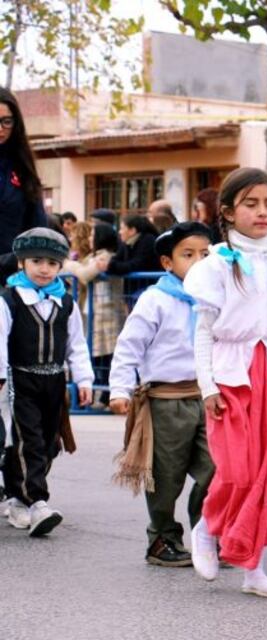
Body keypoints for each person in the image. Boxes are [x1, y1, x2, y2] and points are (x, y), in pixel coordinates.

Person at [184, 167, 267, 598]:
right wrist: (207, 385)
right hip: (232, 374)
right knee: (238, 469)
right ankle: (208, 527)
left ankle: (253, 566)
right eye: (250, 204)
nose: (262, 212)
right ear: (227, 211)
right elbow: (204, 330)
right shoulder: (217, 265)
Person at [108, 222, 215, 568]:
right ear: (168, 263)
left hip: (206, 397)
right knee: (166, 477)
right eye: (188, 255)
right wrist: (119, 388)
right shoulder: (156, 299)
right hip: (165, 401)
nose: (198, 261)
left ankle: (205, 534)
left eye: (205, 254)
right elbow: (130, 345)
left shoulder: (214, 299)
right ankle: (162, 538)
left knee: (216, 468)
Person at [1, 228, 93, 535]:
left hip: (54, 380)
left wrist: (84, 379)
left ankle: (16, 496)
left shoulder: (64, 302)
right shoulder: (9, 300)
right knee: (29, 440)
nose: (44, 268)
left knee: (50, 442)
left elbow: (76, 345)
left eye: (52, 263)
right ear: (21, 263)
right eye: (37, 261)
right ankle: (37, 502)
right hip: (19, 378)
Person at [0, 88, 49, 281]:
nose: (0, 129)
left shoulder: (23, 168)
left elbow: (38, 228)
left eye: (7, 122)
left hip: (14, 279)